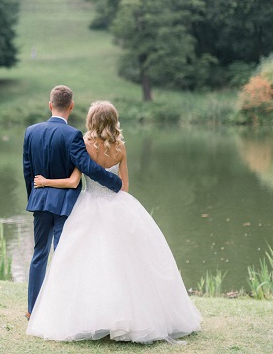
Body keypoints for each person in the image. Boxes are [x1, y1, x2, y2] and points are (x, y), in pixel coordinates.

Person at [26, 100, 202, 343]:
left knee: (85, 262)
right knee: (126, 263)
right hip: (118, 205)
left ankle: (92, 317)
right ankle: (127, 317)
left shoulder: (85, 144)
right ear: (113, 120)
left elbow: (73, 181)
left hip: (87, 206)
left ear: (91, 121)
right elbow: (125, 186)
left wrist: (45, 182)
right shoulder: (120, 147)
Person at [22, 85, 123, 320]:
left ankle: (32, 309)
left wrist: (34, 197)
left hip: (39, 201)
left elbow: (27, 170)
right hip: (65, 205)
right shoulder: (72, 135)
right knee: (63, 254)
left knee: (39, 254)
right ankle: (60, 309)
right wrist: (115, 184)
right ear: (71, 106)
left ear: (50, 105)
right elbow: (88, 167)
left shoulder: (31, 132)